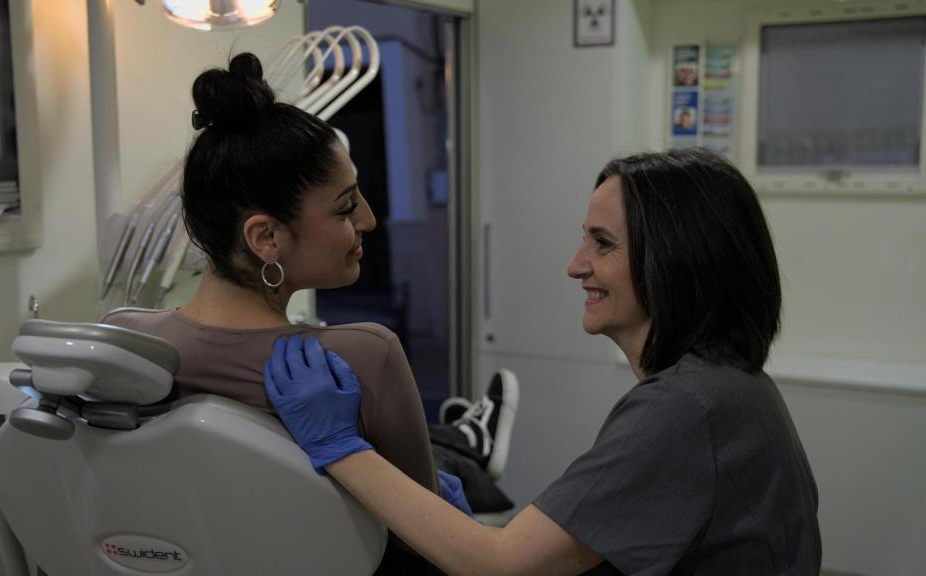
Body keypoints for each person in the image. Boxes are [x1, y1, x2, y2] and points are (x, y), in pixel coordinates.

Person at [263, 148, 823, 575]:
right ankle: (463, 449)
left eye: (602, 244)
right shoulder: (723, 385)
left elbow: (502, 566)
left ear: (676, 262)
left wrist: (341, 449)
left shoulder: (687, 408)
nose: (575, 265)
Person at [103, 51, 443, 573]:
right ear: (265, 236)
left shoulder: (124, 341)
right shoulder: (364, 355)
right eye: (347, 206)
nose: (369, 220)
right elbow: (428, 541)